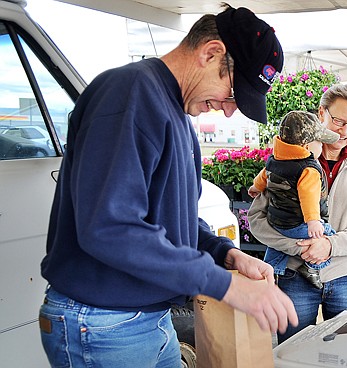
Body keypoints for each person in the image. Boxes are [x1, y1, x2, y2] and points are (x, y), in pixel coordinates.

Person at [39, 6, 297, 367]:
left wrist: (225, 254)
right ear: (211, 53)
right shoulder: (130, 93)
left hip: (149, 319)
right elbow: (109, 227)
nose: (226, 112)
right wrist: (226, 286)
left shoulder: (178, 115)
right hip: (103, 325)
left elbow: (171, 220)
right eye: (231, 94)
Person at [248, 84, 347, 343]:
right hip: (295, 276)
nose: (345, 132)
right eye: (339, 121)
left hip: (345, 277)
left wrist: (329, 245)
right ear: (321, 113)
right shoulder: (286, 163)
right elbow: (257, 219)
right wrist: (299, 247)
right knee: (292, 351)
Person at [248, 110, 340, 289]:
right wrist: (313, 221)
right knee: (328, 233)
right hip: (298, 225)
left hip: (276, 221)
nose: (322, 147)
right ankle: (312, 267)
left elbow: (264, 176)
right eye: (319, 142)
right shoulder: (309, 169)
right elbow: (309, 196)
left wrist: (255, 188)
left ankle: (273, 266)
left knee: (277, 246)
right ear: (306, 146)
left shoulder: (274, 160)